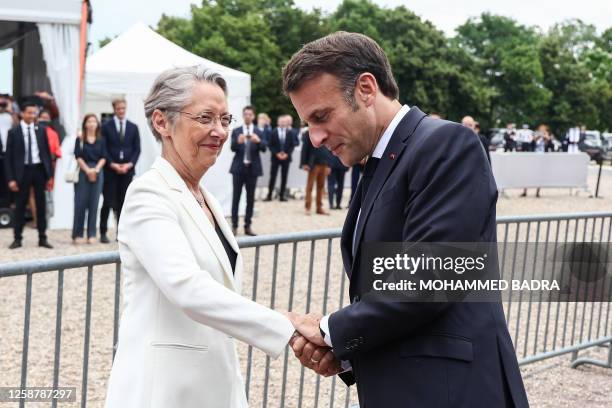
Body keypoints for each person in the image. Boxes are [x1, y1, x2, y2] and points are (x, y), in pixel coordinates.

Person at [282, 32, 528, 407]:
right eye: (308, 124)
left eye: (321, 116)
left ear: (366, 88)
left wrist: (330, 330)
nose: (314, 138)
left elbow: (431, 275)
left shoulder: (446, 144)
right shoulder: (380, 163)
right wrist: (343, 350)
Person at [104, 65, 304, 408]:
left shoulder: (203, 197)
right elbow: (187, 286)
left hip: (212, 385)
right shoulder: (148, 195)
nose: (220, 132)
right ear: (161, 122)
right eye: (206, 118)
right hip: (164, 392)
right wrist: (287, 326)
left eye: (225, 120)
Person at [4, 101, 53, 249]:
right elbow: (8, 158)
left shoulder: (41, 130)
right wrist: (11, 179)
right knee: (20, 205)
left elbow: (46, 153)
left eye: (34, 113)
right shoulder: (14, 132)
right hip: (22, 172)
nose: (32, 115)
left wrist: (49, 174)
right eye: (29, 113)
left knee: (41, 205)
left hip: (39, 170)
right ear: (22, 113)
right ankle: (17, 238)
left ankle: (42, 237)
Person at [99, 98, 141, 243]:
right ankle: (103, 232)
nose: (121, 111)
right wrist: (112, 164)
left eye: (123, 108)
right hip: (110, 171)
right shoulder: (105, 126)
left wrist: (130, 164)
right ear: (114, 109)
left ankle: (120, 233)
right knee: (107, 201)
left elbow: (137, 149)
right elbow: (103, 148)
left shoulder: (133, 127)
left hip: (127, 171)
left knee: (123, 203)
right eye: (118, 109)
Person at [229, 105, 265, 236]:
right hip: (238, 169)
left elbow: (264, 148)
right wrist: (238, 142)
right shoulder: (237, 131)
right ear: (243, 116)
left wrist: (259, 141)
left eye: (250, 114)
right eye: (246, 114)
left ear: (253, 116)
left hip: (253, 169)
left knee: (250, 199)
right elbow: (232, 148)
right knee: (236, 198)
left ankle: (248, 226)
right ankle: (234, 225)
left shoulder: (258, 131)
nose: (248, 116)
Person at [72, 114, 107, 244]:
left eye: (94, 121)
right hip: (83, 171)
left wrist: (96, 170)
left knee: (94, 203)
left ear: (97, 124)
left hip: (98, 171)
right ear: (85, 124)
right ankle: (78, 233)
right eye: (89, 121)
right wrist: (87, 170)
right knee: (80, 203)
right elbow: (78, 156)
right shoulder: (80, 139)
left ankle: (91, 233)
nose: (92, 124)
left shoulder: (101, 140)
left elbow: (104, 156)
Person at [265, 115, 298, 201]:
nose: (283, 123)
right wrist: (277, 153)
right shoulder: (273, 132)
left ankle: (282, 196)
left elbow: (292, 145)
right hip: (275, 158)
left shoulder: (289, 132)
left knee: (284, 177)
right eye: (281, 122)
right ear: (278, 122)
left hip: (286, 158)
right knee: (273, 176)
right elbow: (270, 145)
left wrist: (287, 154)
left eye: (284, 122)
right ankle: (269, 195)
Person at [300, 129, 330, 215]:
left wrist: (329, 165)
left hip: (324, 163)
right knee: (310, 187)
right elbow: (304, 148)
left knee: (321, 187)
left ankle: (319, 207)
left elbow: (329, 149)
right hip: (313, 164)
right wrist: (304, 163)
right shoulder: (308, 132)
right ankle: (307, 207)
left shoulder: (326, 131)